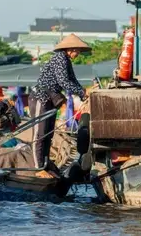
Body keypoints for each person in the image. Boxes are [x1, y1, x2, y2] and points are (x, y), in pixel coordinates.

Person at [30, 33, 90, 177]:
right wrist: (80, 92)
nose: (78, 53)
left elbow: (73, 80)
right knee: (40, 134)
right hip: (40, 98)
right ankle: (38, 168)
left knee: (49, 133)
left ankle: (45, 163)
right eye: (77, 51)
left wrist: (83, 93)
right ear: (70, 49)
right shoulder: (60, 58)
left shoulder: (67, 61)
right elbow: (64, 82)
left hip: (50, 100)